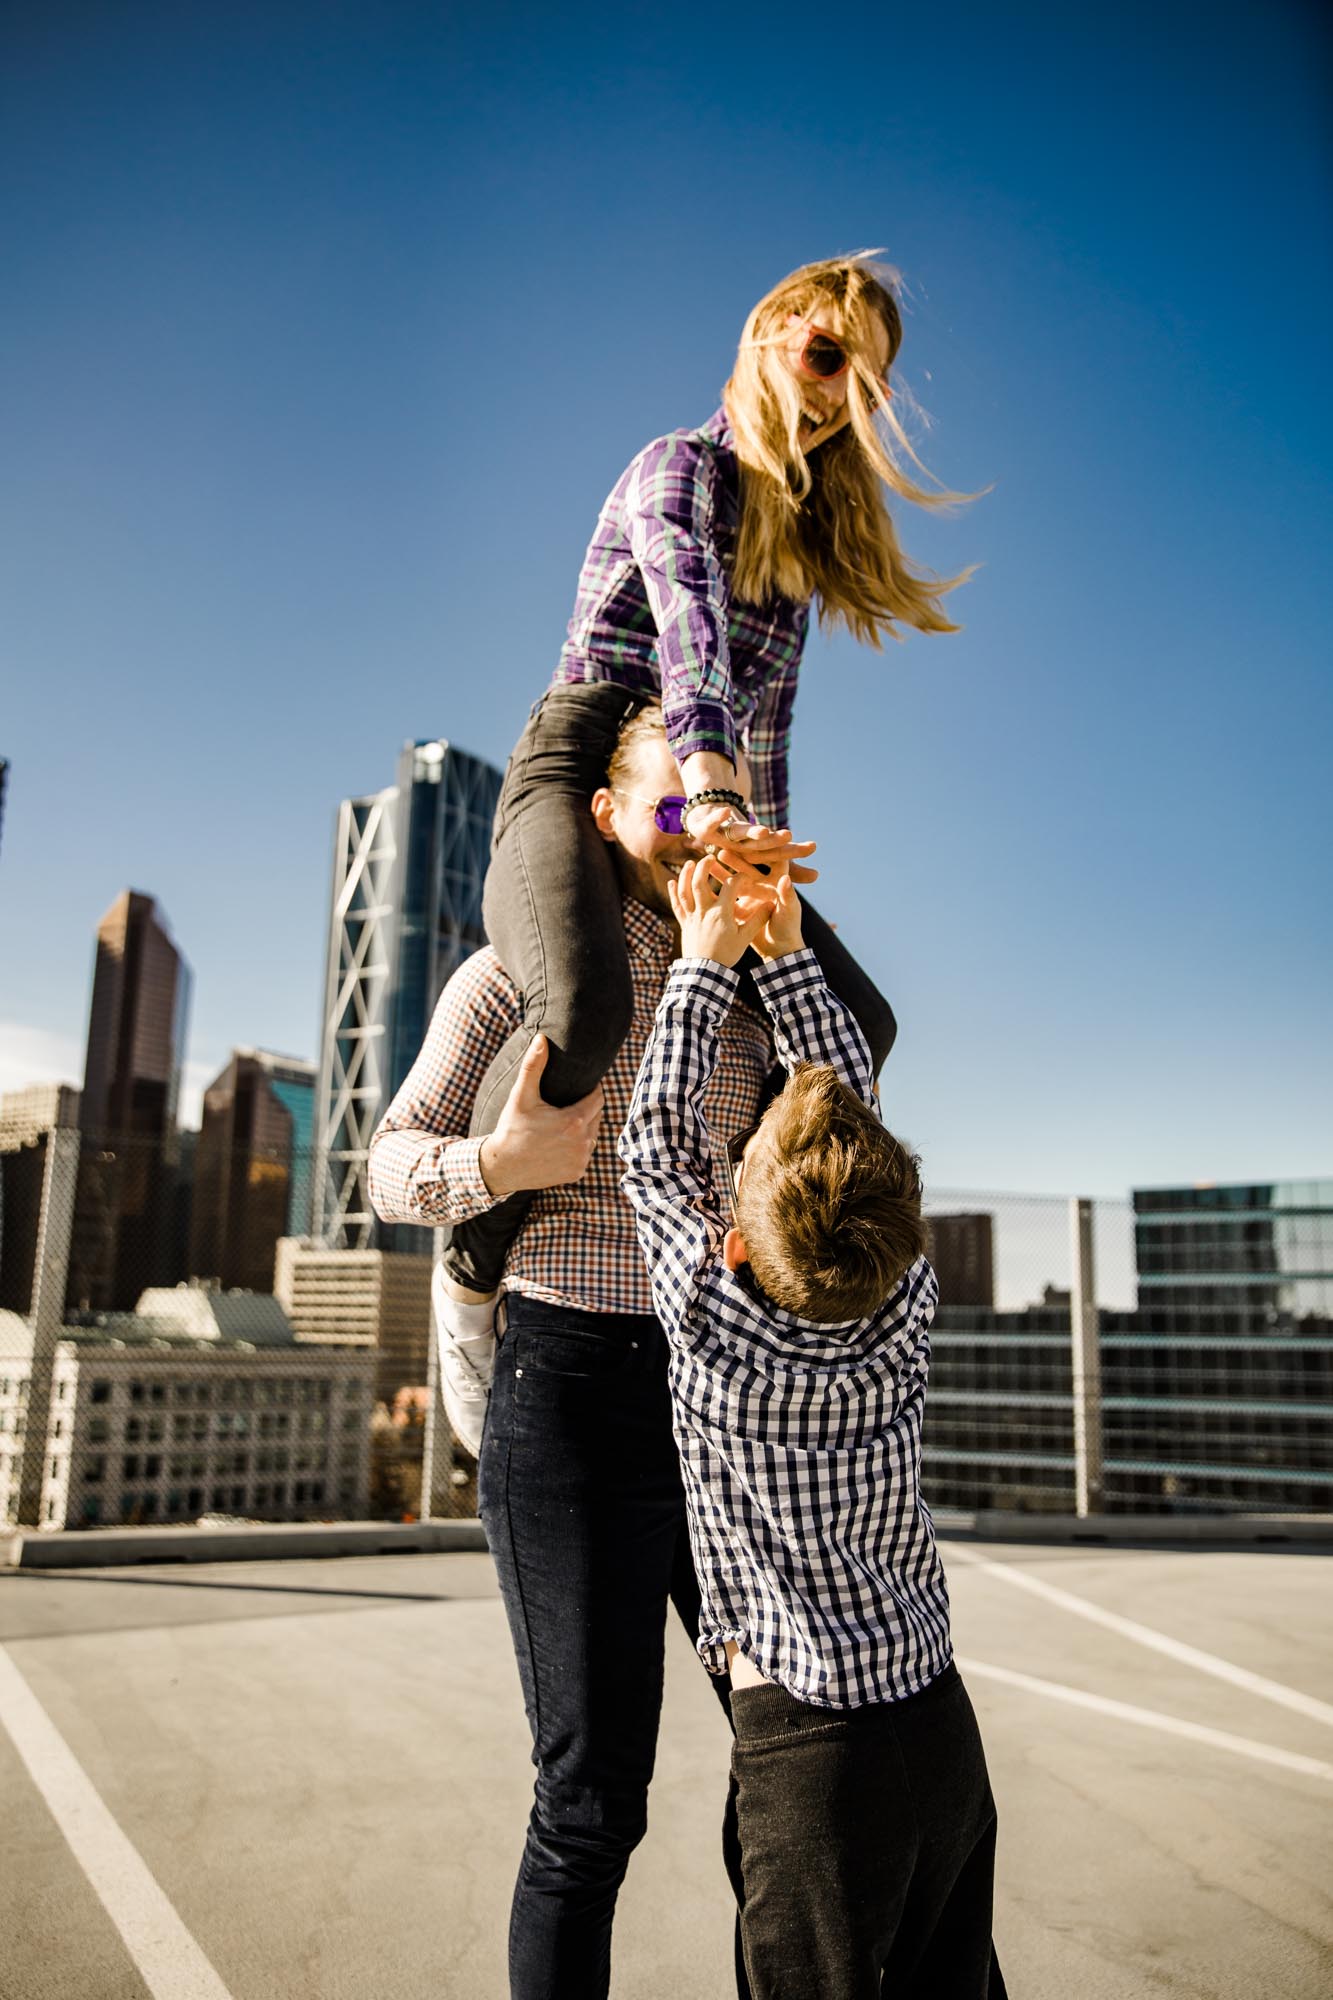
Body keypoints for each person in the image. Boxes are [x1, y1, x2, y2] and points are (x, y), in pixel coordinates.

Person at [443, 250, 971, 1322]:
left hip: (704, 797)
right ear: (769, 333)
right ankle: (469, 1271)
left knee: (854, 1023)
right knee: (588, 1006)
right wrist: (708, 786)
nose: (837, 401)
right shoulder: (674, 468)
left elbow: (766, 731)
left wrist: (755, 851)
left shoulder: (794, 559)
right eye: (827, 358)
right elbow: (691, 643)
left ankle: (740, 1239)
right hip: (588, 759)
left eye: (862, 390)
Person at [368, 704, 773, 1999]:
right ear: (601, 816)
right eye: (669, 804)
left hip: (725, 1405)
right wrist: (495, 1165)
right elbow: (383, 1163)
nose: (697, 827)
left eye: (716, 805)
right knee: (593, 1801)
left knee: (792, 1759)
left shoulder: (754, 989)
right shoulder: (514, 977)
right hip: (571, 1398)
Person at [617, 856, 1006, 2000]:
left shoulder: (709, 1316)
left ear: (736, 1237)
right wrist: (780, 955)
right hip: (939, 1724)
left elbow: (642, 1145)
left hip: (808, 1758)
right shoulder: (901, 1292)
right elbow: (829, 1136)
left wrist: (704, 959)